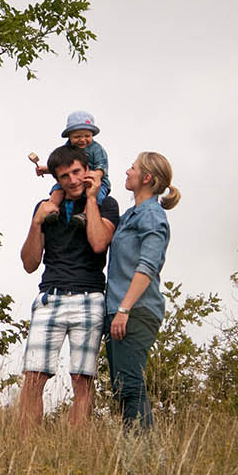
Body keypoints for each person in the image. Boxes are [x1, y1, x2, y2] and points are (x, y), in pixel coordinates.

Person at [17, 144, 120, 428]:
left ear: (88, 171)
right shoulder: (47, 207)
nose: (72, 180)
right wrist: (37, 223)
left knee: (82, 380)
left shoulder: (106, 204)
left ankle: (77, 450)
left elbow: (99, 243)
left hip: (90, 297)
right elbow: (29, 263)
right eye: (65, 176)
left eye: (77, 172)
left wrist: (90, 199)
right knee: (34, 377)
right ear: (57, 179)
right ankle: (24, 449)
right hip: (50, 296)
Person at [100, 151, 181, 432]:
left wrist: (124, 309)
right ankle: (135, 457)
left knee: (130, 387)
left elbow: (148, 266)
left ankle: (146, 459)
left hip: (135, 311)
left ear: (146, 178)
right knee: (123, 388)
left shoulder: (152, 215)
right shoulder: (131, 215)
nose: (127, 171)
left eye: (132, 168)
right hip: (119, 312)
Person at [31, 111, 110, 225]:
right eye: (77, 136)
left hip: (96, 180)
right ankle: (52, 208)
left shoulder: (97, 149)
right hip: (72, 179)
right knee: (57, 189)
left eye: (87, 136)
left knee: (95, 193)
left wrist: (95, 175)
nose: (82, 140)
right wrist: (46, 169)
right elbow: (62, 167)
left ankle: (85, 214)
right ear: (69, 136)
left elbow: (101, 166)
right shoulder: (67, 148)